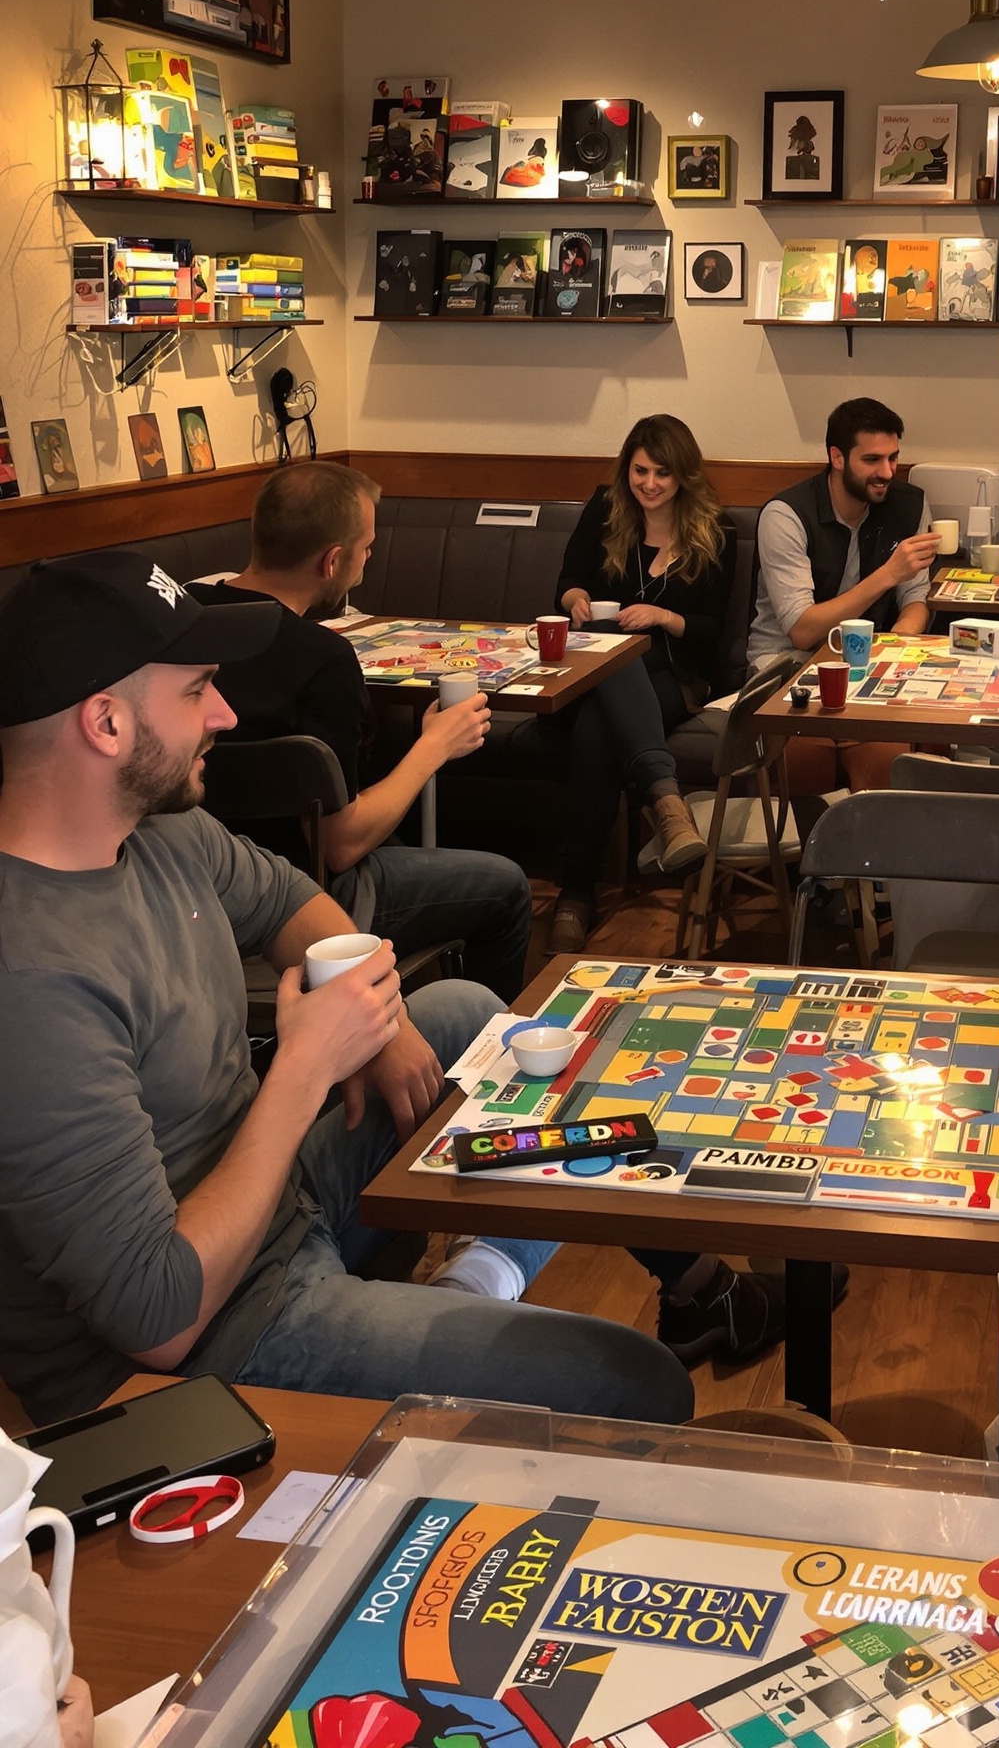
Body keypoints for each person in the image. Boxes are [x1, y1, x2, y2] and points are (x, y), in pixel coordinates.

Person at [0, 550, 694, 1427]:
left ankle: (504, 1283)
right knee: (640, 1385)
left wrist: (382, 1018)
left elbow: (295, 901)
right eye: (195, 690)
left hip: (275, 1214)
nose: (226, 711)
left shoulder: (161, 835)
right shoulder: (29, 979)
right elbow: (159, 1319)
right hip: (189, 1367)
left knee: (474, 1021)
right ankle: (491, 1291)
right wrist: (307, 1065)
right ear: (103, 722)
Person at [187, 460, 533, 1002]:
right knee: (507, 886)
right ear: (332, 561)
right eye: (366, 549)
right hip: (302, 897)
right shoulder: (321, 657)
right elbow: (341, 845)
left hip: (183, 889)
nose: (367, 561)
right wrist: (433, 747)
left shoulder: (181, 620)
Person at [544, 415, 734, 949]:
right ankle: (666, 803)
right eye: (640, 471)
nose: (648, 484)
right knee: (610, 655)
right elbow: (566, 581)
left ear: (684, 477)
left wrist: (661, 618)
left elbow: (712, 629)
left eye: (663, 475)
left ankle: (575, 895)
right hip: (595, 669)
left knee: (596, 728)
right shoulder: (605, 509)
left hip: (676, 675)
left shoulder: (716, 529)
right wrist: (573, 600)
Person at [747, 397, 937, 793]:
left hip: (866, 669)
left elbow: (916, 599)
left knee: (891, 762)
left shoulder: (908, 505)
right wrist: (887, 574)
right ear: (836, 456)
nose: (886, 472)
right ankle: (802, 856)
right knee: (804, 762)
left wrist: (897, 646)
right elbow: (802, 630)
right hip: (787, 667)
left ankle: (880, 854)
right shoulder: (786, 515)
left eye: (893, 458)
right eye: (872, 460)